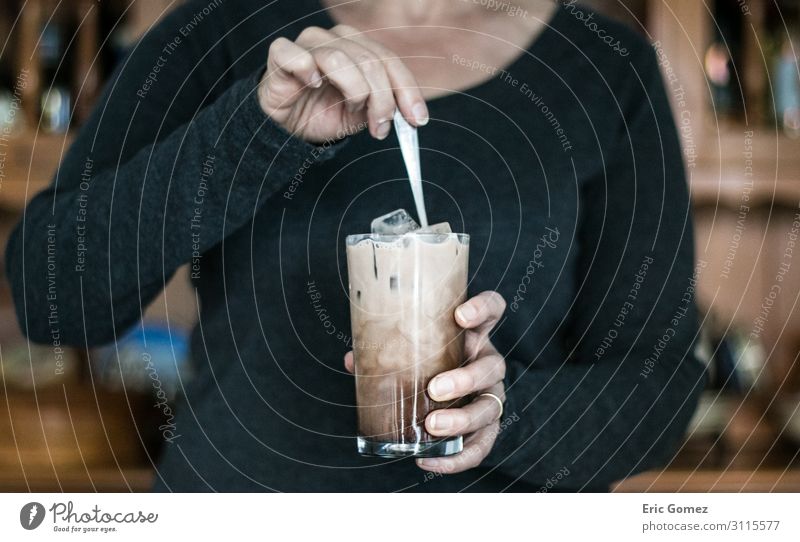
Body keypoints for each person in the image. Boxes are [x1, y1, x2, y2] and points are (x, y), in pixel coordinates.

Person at [6, 0, 706, 491]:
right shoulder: (218, 31)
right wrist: (255, 131)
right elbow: (51, 299)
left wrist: (506, 414)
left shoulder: (605, 68)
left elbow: (661, 388)